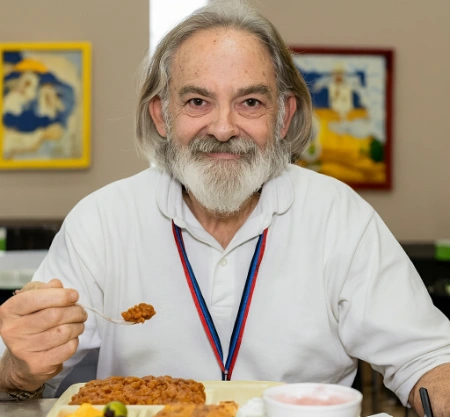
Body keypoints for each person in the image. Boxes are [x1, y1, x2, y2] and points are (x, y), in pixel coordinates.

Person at [0, 1, 449, 415]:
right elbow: (15, 375)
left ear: (284, 115)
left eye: (250, 102)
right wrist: (19, 370)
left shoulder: (340, 217)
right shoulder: (101, 220)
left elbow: (430, 358)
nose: (222, 127)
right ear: (161, 115)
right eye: (197, 101)